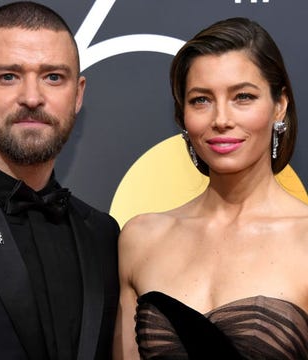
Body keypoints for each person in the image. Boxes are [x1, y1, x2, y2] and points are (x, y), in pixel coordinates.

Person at [113, 17, 308, 359]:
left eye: (243, 97)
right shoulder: (141, 238)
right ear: (183, 115)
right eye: (201, 100)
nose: (221, 119)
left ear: (280, 105)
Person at [0, 2, 119, 359]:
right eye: (8, 76)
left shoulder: (103, 234)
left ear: (78, 94)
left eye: (53, 77)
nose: (31, 98)